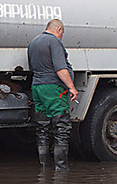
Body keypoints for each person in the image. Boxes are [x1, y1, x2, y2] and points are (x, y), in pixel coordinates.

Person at [27, 19, 79, 170]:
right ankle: (61, 169)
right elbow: (60, 68)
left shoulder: (33, 43)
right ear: (59, 30)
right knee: (61, 127)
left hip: (37, 87)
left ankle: (44, 167)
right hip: (53, 89)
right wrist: (72, 88)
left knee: (42, 126)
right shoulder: (54, 42)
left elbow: (32, 67)